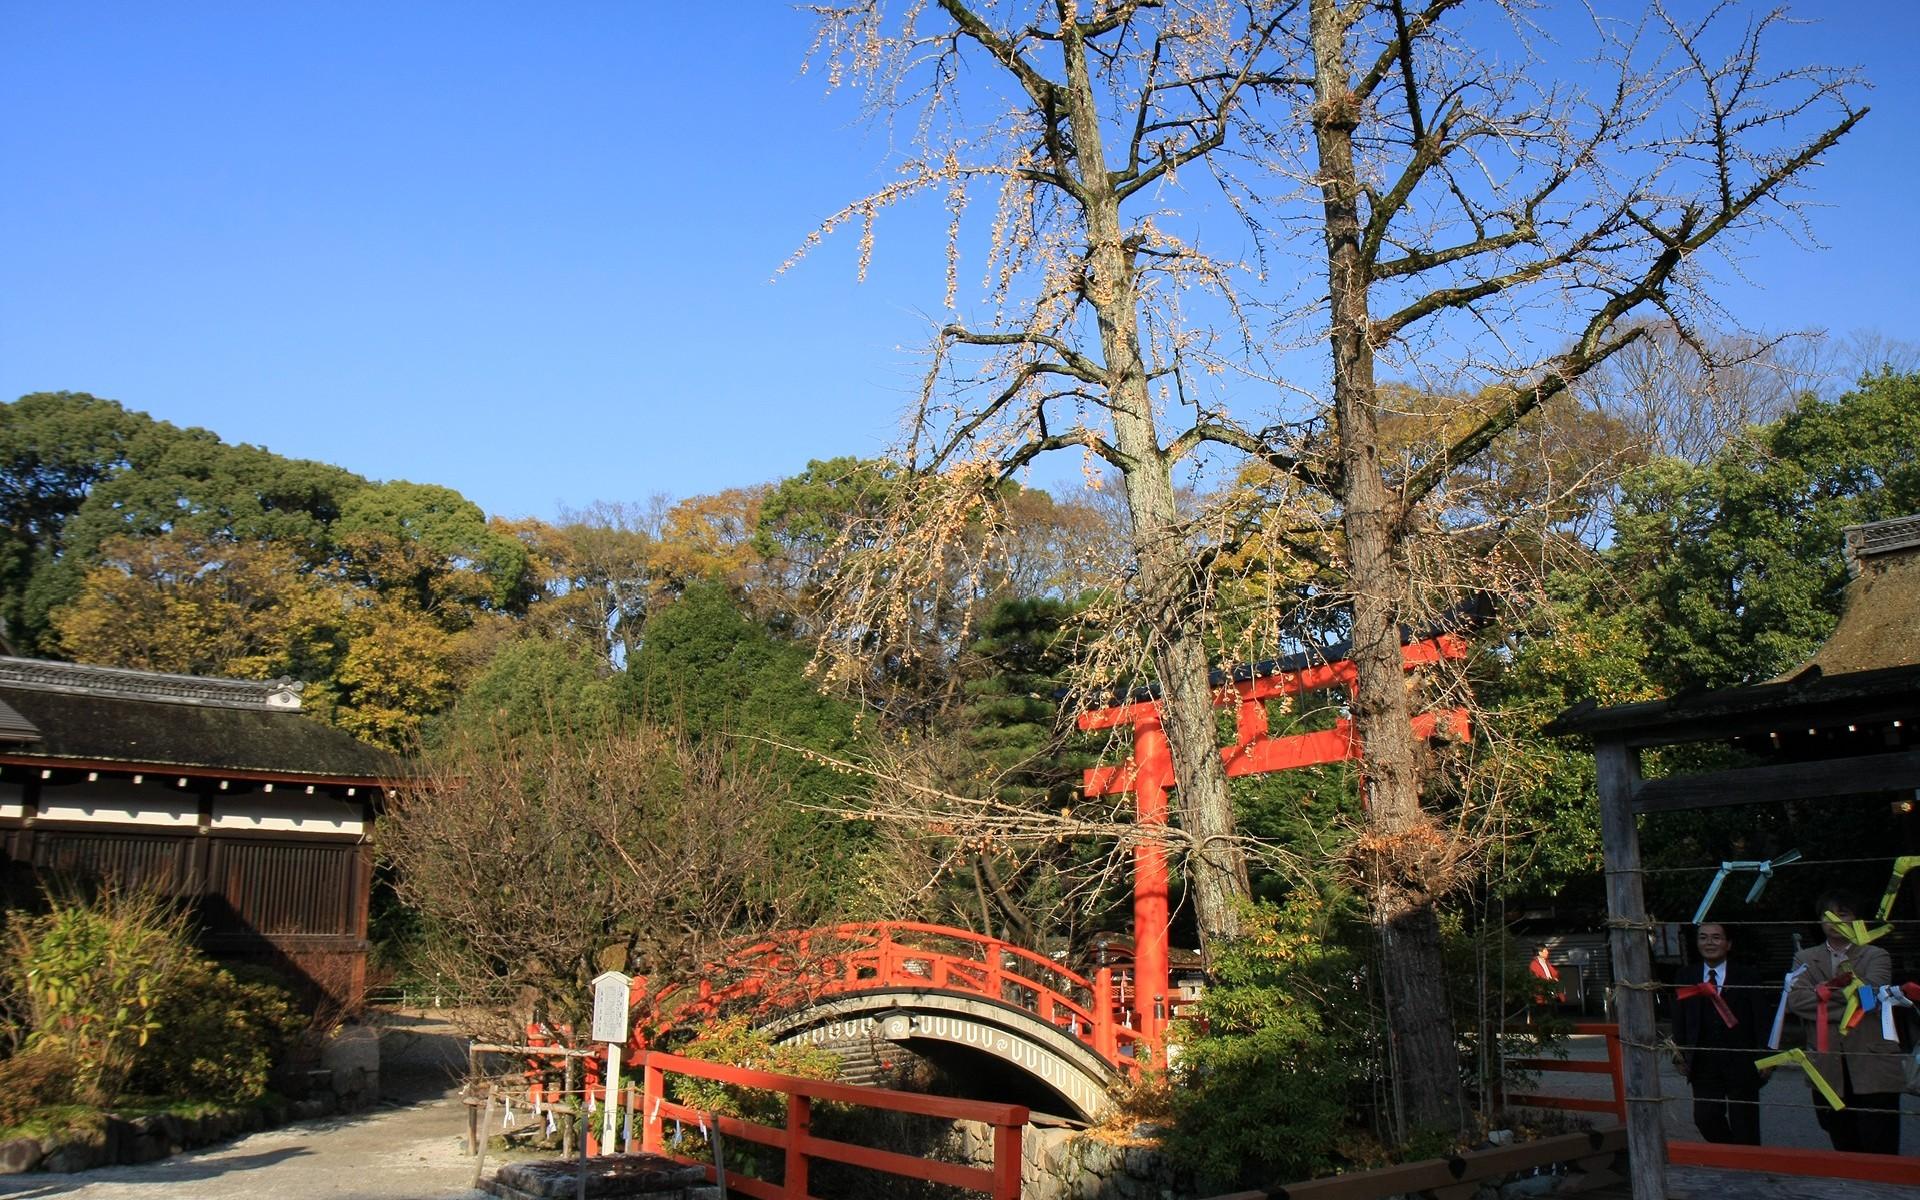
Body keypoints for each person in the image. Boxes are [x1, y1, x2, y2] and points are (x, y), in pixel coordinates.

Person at [1786, 891, 1905, 1154]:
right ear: (1819, 921)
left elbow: (1870, 998)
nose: (1835, 920)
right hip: (1826, 1067)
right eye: (1827, 915)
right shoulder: (1804, 958)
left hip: (1872, 1065)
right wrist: (1848, 997)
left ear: (1856, 919)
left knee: (1880, 1146)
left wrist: (1821, 995)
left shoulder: (1876, 955)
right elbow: (1796, 1002)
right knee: (1843, 1145)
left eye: (1843, 913)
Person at [1674, 922, 1767, 1144]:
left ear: (1728, 944)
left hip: (1742, 1059)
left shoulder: (1748, 976)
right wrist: (1677, 1053)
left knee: (1745, 1123)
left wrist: (1767, 1056)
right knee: (1705, 1118)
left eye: (1716, 937)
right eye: (1703, 937)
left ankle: (1749, 1168)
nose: (1709, 943)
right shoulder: (1686, 976)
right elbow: (1679, 1017)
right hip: (1703, 1059)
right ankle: (1731, 1157)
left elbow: (1763, 1019)